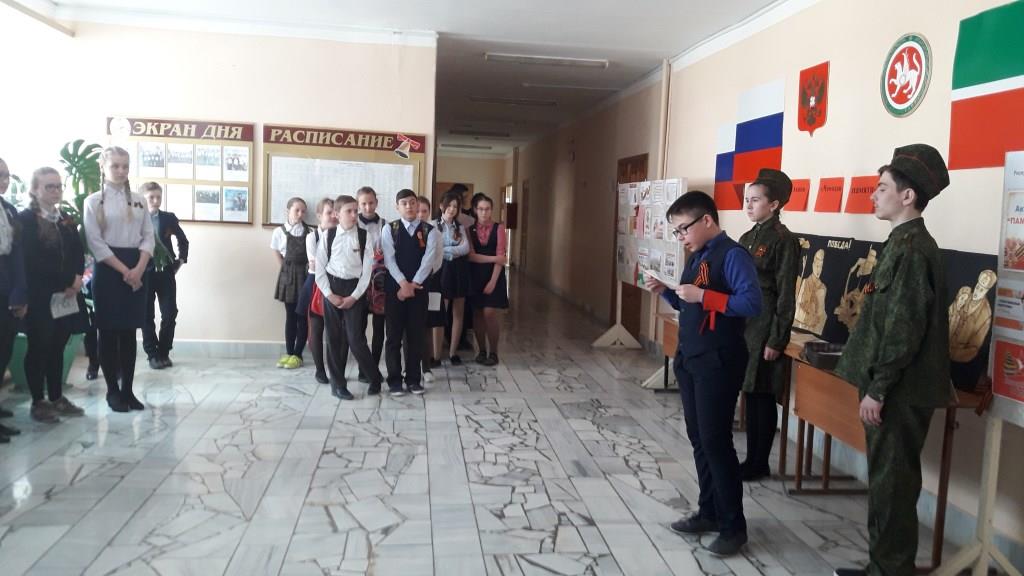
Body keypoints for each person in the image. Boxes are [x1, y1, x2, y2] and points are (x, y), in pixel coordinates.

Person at [833, 144, 953, 576]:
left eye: (882, 188)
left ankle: (889, 570)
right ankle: (881, 566)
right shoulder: (901, 243)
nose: (873, 195)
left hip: (898, 391)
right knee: (887, 483)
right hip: (891, 387)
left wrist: (879, 388)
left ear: (907, 196)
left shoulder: (912, 249)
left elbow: (904, 329)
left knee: (894, 486)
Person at [645, 190, 761, 557]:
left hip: (719, 360)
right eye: (676, 231)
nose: (680, 237)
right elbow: (690, 302)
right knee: (699, 439)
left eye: (683, 228)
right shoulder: (699, 256)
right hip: (692, 357)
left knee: (716, 441)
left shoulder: (733, 255)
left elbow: (751, 302)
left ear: (707, 220)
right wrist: (666, 292)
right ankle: (708, 511)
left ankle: (733, 526)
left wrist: (704, 297)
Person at [737, 169, 799, 481]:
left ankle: (758, 462)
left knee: (762, 395)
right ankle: (752, 459)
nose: (748, 205)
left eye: (755, 200)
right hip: (745, 324)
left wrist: (777, 339)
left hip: (765, 325)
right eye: (747, 200)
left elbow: (786, 294)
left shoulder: (784, 240)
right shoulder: (747, 238)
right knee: (749, 392)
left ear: (773, 205)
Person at [83, 147, 155, 412]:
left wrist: (139, 268)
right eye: (115, 166)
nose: (121, 171)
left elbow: (148, 236)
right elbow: (95, 242)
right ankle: (112, 391)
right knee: (108, 331)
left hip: (137, 267)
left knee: (129, 332)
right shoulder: (93, 202)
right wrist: (125, 271)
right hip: (109, 270)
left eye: (125, 166)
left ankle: (128, 391)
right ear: (103, 167)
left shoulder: (138, 200)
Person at [19, 167, 87, 422]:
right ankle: (38, 401)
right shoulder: (26, 219)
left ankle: (57, 397)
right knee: (39, 346)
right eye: (49, 186)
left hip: (67, 295)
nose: (56, 191)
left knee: (58, 344)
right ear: (35, 190)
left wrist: (77, 278)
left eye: (58, 186)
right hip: (41, 295)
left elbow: (78, 251)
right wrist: (67, 280)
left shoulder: (64, 218)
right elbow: (32, 260)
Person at [316, 195, 382, 399]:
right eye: (349, 211)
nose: (354, 215)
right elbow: (320, 269)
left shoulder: (364, 236)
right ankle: (338, 385)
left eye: (356, 210)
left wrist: (354, 297)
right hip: (332, 287)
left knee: (355, 339)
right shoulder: (328, 235)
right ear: (337, 214)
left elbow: (367, 272)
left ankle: (374, 377)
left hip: (355, 290)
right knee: (334, 339)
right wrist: (329, 295)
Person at [381, 188, 441, 396]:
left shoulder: (429, 230)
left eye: (413, 202)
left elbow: (429, 260)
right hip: (395, 290)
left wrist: (413, 284)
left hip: (419, 289)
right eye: (404, 203)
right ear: (397, 207)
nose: (409, 206)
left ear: (418, 205)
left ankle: (414, 379)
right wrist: (402, 284)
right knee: (393, 337)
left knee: (416, 336)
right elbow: (389, 259)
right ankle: (394, 380)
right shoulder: (390, 229)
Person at [141, 182, 188, 370]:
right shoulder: (136, 218)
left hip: (166, 272)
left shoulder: (169, 218)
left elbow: (183, 240)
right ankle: (152, 354)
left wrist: (180, 261)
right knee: (146, 315)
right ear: (143, 199)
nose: (155, 201)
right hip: (144, 272)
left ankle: (164, 352)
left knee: (170, 313)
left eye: (158, 197)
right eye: (151, 197)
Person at [0, 157, 27, 441]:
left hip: (7, 288)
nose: (4, 180)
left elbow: (17, 253)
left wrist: (20, 292)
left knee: (4, 349)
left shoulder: (8, 209)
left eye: (7, 175)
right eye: (0, 175)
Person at [467, 193, 508, 365]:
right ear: (475, 210)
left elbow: (501, 257)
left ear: (492, 210)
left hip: (494, 276)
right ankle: (482, 351)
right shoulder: (469, 230)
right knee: (477, 313)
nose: (484, 212)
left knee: (489, 313)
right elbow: (471, 256)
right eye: (481, 209)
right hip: (475, 275)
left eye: (488, 209)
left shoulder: (499, 228)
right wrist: (494, 258)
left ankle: (494, 352)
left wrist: (492, 281)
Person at [271, 197, 309, 369]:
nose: (300, 214)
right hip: (288, 275)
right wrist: (286, 269)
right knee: (290, 316)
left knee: (302, 316)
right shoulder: (279, 231)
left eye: (303, 211)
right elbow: (277, 252)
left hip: (305, 275)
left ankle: (298, 354)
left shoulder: (309, 231)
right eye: (297, 210)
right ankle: (289, 352)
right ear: (288, 210)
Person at [301, 198, 335, 384]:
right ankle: (320, 370)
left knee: (334, 331)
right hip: (315, 285)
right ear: (320, 215)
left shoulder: (342, 234)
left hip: (336, 285)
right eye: (329, 213)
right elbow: (314, 264)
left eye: (335, 213)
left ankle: (335, 370)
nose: (333, 216)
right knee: (315, 328)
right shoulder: (312, 237)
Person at [435, 190, 471, 365]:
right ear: (441, 206)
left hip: (458, 271)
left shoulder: (460, 227)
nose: (452, 209)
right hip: (441, 272)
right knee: (440, 313)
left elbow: (466, 249)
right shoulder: (433, 225)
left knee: (458, 313)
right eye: (449, 205)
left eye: (455, 206)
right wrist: (453, 251)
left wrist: (445, 250)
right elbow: (434, 250)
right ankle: (436, 355)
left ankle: (452, 352)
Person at [356, 186, 387, 383]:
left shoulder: (385, 224)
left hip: (379, 280)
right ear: (358, 205)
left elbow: (389, 250)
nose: (368, 207)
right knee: (359, 326)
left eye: (371, 203)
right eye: (363, 204)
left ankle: (374, 367)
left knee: (379, 326)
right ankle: (363, 369)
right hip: (359, 280)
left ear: (377, 202)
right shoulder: (353, 223)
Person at [418, 195, 444, 380]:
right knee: (410, 327)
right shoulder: (405, 231)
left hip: (431, 282)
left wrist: (424, 276)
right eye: (418, 210)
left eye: (424, 211)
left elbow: (438, 260)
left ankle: (426, 367)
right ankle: (410, 366)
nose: (420, 214)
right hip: (409, 284)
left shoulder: (435, 233)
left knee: (427, 325)